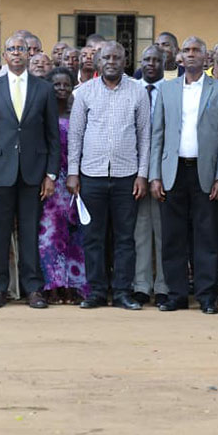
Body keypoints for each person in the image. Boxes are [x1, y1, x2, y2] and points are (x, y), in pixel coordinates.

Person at [0, 35, 60, 310]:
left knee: (29, 232)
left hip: (34, 172)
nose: (16, 53)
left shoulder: (44, 89)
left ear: (28, 54)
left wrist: (51, 174)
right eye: (11, 49)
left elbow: (52, 136)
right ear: (5, 55)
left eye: (20, 49)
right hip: (0, 171)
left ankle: (33, 288)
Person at [149, 37, 218, 314]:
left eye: (197, 50)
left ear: (206, 57)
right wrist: (155, 176)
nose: (191, 54)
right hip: (172, 172)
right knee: (173, 237)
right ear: (180, 57)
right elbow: (157, 134)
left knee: (206, 237)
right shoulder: (167, 89)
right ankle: (176, 294)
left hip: (205, 173)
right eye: (187, 50)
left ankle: (206, 296)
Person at [68, 41, 150, 310]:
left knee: (125, 238)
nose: (111, 62)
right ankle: (97, 292)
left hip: (127, 176)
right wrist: (73, 172)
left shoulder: (138, 92)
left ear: (125, 61)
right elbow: (75, 135)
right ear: (98, 62)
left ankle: (123, 292)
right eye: (106, 57)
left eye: (117, 57)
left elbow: (145, 136)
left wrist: (142, 174)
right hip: (91, 175)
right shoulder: (84, 92)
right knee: (93, 237)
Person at [36, 67, 88, 304]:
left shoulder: (78, 112)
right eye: (56, 84)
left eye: (66, 84)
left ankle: (73, 284)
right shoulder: (41, 113)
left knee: (75, 233)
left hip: (75, 180)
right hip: (49, 181)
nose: (62, 88)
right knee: (49, 234)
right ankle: (52, 284)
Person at [133, 46, 168, 307]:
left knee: (163, 231)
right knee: (141, 231)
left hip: (166, 172)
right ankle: (141, 285)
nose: (151, 64)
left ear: (164, 62)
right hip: (133, 172)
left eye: (156, 60)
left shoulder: (173, 90)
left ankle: (164, 286)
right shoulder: (131, 89)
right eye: (147, 59)